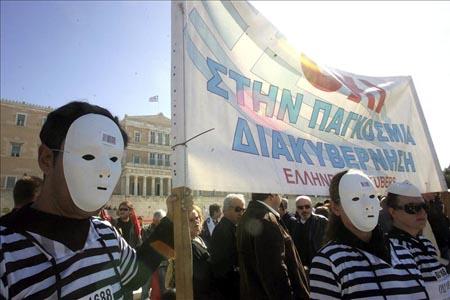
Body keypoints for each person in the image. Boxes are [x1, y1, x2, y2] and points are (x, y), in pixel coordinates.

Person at [0, 101, 175, 299]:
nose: (105, 171)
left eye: (114, 159)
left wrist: (172, 222)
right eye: (89, 155)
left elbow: (135, 274)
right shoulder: (4, 254)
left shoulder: (104, 232)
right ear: (46, 159)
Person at [309, 169, 429, 299]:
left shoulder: (403, 252)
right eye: (355, 198)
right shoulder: (328, 262)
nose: (368, 205)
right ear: (336, 208)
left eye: (372, 196)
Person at [236, 193, 309, 300]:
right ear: (272, 195)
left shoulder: (248, 215)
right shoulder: (266, 220)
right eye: (279, 194)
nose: (281, 197)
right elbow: (275, 272)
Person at [387, 180, 450, 299]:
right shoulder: (393, 248)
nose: (422, 212)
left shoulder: (425, 242)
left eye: (424, 206)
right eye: (412, 208)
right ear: (393, 212)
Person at [165, 205, 215, 300]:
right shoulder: (187, 245)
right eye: (191, 220)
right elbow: (198, 276)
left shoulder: (199, 238)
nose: (196, 222)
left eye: (197, 218)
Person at [209, 193, 246, 300]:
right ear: (226, 209)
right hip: (228, 288)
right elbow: (223, 265)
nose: (241, 213)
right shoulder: (224, 230)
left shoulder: (231, 227)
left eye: (243, 210)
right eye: (238, 209)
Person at [292, 195, 328, 270]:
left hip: (319, 264)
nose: (304, 210)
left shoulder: (321, 221)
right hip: (301, 267)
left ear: (311, 207)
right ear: (297, 209)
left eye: (307, 206)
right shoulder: (293, 224)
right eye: (300, 207)